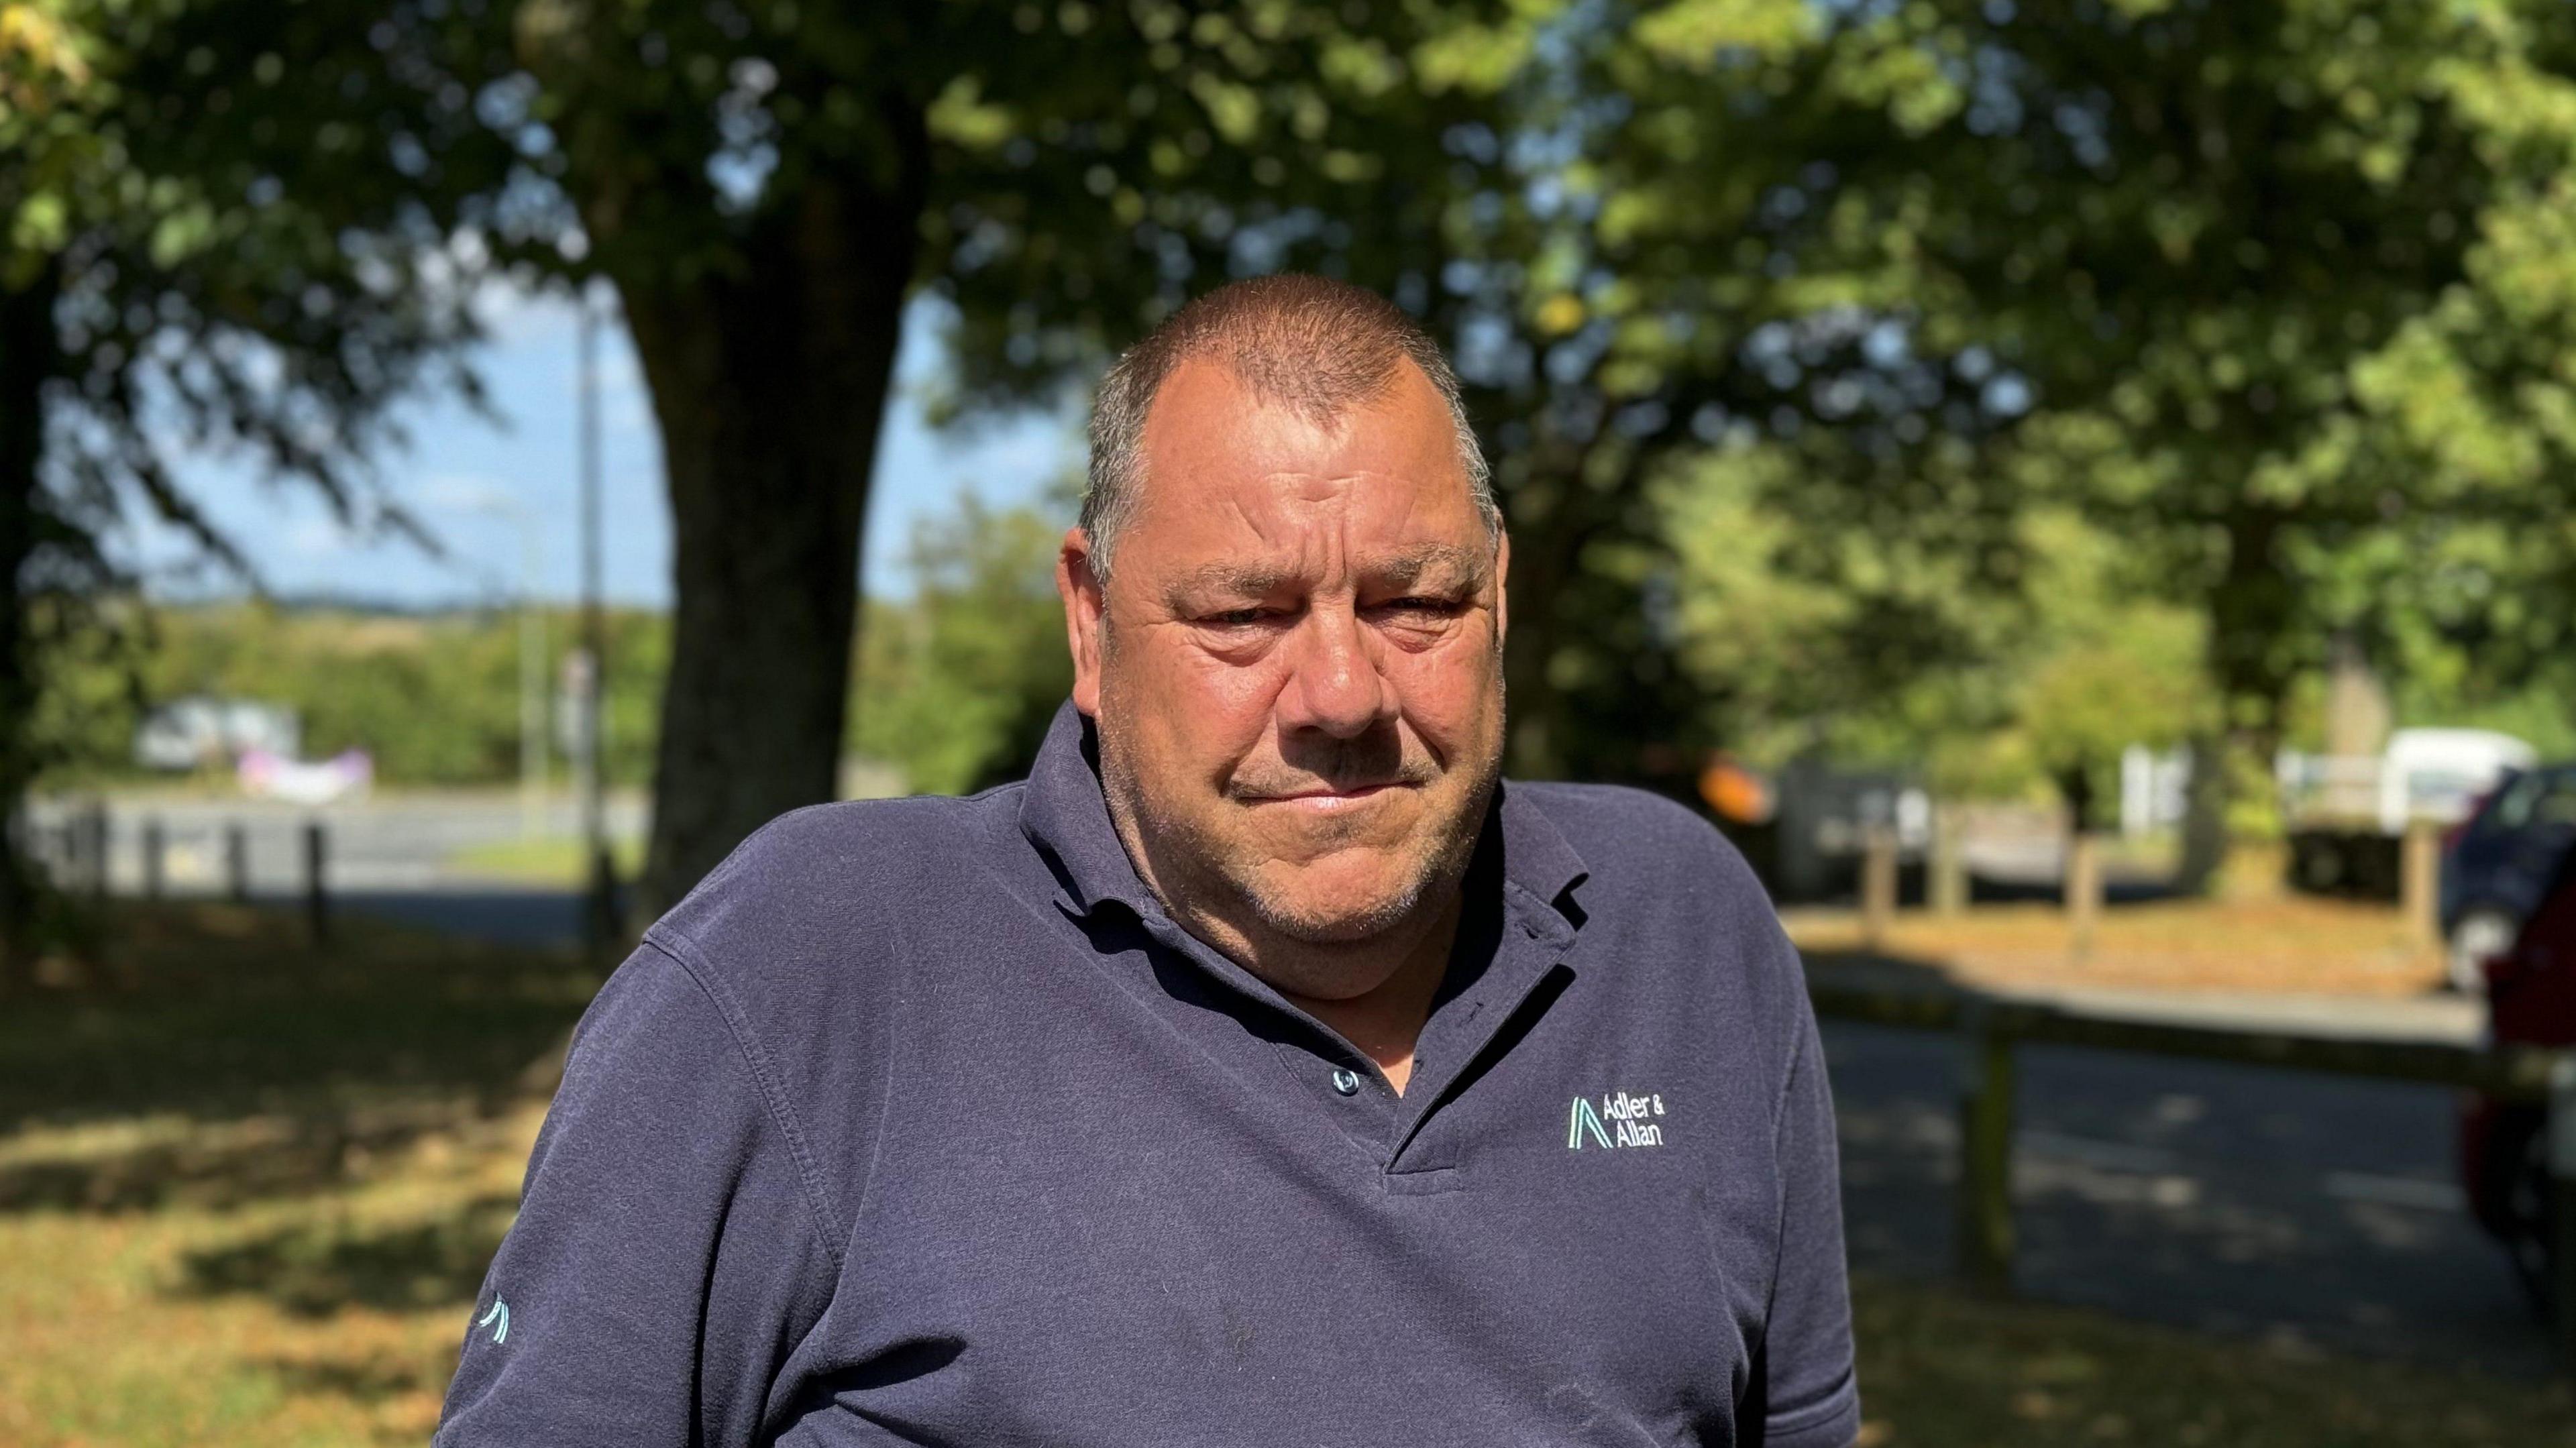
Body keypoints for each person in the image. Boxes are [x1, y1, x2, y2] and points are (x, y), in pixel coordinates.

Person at [436, 274, 1860, 1447]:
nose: (1343, 694)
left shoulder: (1679, 933)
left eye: (1414, 602)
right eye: (1244, 614)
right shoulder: (808, 967)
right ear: (1090, 620)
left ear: (1499, 594)